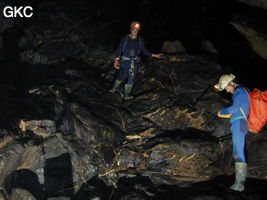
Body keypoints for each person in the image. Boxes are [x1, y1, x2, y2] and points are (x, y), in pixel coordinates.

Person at [109, 21, 163, 100]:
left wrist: (154, 55)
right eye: (133, 29)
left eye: (136, 30)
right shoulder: (125, 38)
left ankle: (126, 95)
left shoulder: (140, 40)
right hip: (124, 62)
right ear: (130, 29)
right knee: (121, 75)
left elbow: (144, 51)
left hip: (134, 63)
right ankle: (114, 89)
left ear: (138, 31)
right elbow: (119, 49)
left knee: (131, 78)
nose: (135, 31)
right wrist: (116, 60)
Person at [215, 74, 250, 192]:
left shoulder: (239, 92)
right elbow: (240, 109)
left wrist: (222, 111)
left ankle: (239, 184)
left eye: (226, 87)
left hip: (240, 123)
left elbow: (236, 108)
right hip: (240, 123)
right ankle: (238, 183)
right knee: (238, 150)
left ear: (232, 83)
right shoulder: (241, 93)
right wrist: (228, 114)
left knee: (238, 151)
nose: (226, 90)